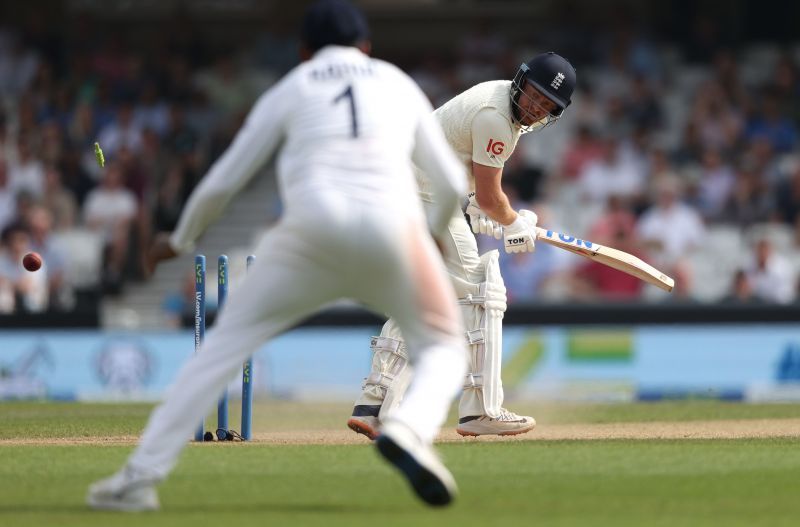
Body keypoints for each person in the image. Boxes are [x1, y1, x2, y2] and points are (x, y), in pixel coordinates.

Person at [87, 0, 468, 511]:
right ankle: (408, 429)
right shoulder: (397, 82)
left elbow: (224, 180)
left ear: (304, 50)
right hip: (393, 229)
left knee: (220, 352)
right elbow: (449, 181)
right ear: (367, 46)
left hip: (308, 234)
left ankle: (138, 480)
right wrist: (435, 230)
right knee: (445, 347)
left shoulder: (295, 86)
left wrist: (177, 241)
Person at [348, 52, 576, 438]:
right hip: (420, 194)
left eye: (547, 105)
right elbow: (491, 198)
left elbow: (462, 166)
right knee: (482, 287)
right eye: (534, 96)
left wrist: (478, 205)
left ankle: (374, 403)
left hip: (407, 190)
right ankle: (481, 410)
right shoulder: (497, 117)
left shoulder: (500, 103)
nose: (536, 108)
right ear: (521, 83)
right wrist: (513, 221)